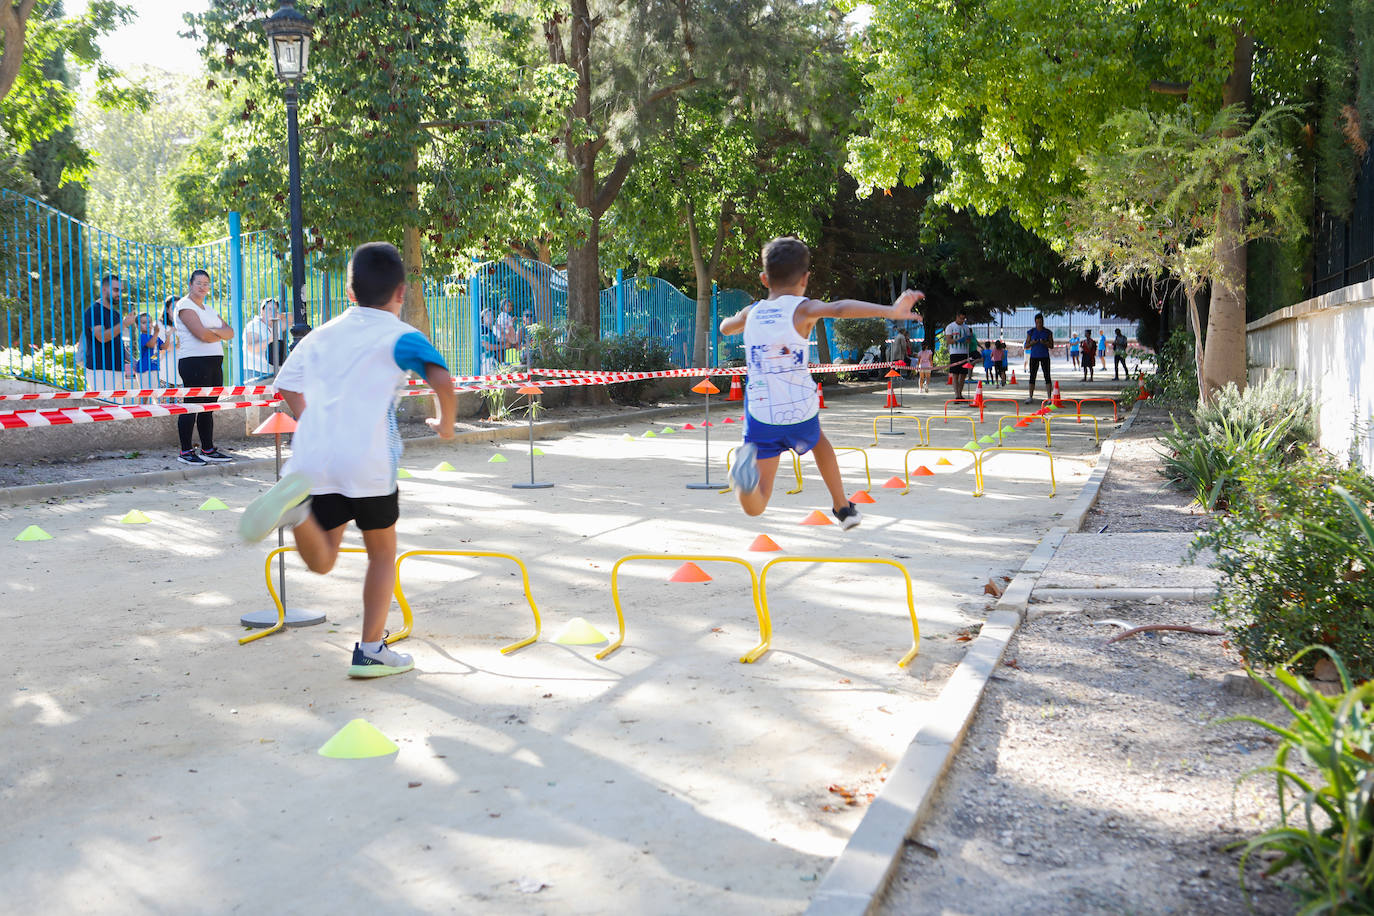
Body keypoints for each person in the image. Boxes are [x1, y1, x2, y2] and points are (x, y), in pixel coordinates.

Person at [238, 241, 457, 679]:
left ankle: (298, 513)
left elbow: (286, 385)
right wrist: (446, 422)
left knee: (323, 561)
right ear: (402, 292)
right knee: (381, 553)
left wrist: (314, 422)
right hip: (368, 460)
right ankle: (371, 649)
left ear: (350, 292)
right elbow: (441, 377)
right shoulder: (400, 334)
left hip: (315, 458)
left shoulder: (322, 333)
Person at [719, 236, 923, 530]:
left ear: (765, 279)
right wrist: (890, 311)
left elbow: (726, 328)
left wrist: (736, 320)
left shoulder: (753, 312)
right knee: (820, 443)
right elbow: (839, 308)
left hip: (762, 414)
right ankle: (842, 507)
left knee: (758, 505)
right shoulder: (802, 309)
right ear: (805, 278)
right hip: (799, 409)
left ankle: (744, 482)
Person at [173, 269, 235, 465]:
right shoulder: (184, 305)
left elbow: (231, 332)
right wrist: (218, 333)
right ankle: (186, 451)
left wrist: (212, 332)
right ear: (190, 284)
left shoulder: (209, 309)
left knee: (208, 407)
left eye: (206, 283)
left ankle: (207, 448)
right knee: (192, 406)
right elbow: (201, 334)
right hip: (194, 361)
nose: (202, 286)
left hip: (214, 361)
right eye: (198, 283)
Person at [82, 274, 134, 394]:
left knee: (117, 410)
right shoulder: (94, 311)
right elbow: (101, 337)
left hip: (118, 370)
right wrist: (124, 324)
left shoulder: (115, 314)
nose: (119, 294)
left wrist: (133, 362)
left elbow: (117, 342)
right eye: (116, 290)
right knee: (105, 409)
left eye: (121, 291)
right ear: (104, 289)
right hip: (100, 370)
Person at [242, 299, 285, 379]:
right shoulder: (254, 325)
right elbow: (251, 348)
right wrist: (270, 340)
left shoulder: (275, 324)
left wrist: (280, 316)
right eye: (269, 309)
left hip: (271, 373)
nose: (272, 312)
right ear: (262, 311)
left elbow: (292, 318)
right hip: (255, 372)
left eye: (275, 309)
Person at [132, 312, 168, 403]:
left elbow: (164, 347)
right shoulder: (142, 336)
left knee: (155, 392)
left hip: (154, 367)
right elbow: (151, 345)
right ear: (137, 326)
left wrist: (169, 335)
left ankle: (154, 410)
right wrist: (156, 333)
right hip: (144, 368)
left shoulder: (154, 337)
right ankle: (141, 411)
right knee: (145, 392)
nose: (148, 325)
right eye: (144, 323)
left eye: (149, 322)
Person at [1024, 313, 1054, 404]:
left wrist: (1045, 343)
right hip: (1034, 356)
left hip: (1045, 356)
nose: (1039, 324)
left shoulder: (1048, 332)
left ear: (1043, 322)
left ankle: (1049, 397)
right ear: (1035, 322)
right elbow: (1026, 345)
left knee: (1047, 376)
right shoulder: (1031, 332)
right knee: (1032, 376)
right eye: (1037, 322)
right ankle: (1030, 396)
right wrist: (1032, 343)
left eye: (1040, 322)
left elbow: (1052, 345)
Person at [944, 311, 972, 400]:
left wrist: (967, 340)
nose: (962, 320)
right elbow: (948, 341)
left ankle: (960, 393)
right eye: (961, 318)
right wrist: (958, 340)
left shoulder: (966, 328)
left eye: (964, 319)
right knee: (955, 374)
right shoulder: (950, 327)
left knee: (963, 374)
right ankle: (956, 394)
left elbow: (969, 340)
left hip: (964, 353)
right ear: (957, 317)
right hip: (955, 353)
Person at [159, 297, 180, 388]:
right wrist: (176, 345)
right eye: (173, 308)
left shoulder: (186, 326)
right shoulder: (159, 326)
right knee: (164, 402)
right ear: (167, 309)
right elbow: (159, 349)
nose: (176, 311)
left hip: (181, 378)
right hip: (164, 376)